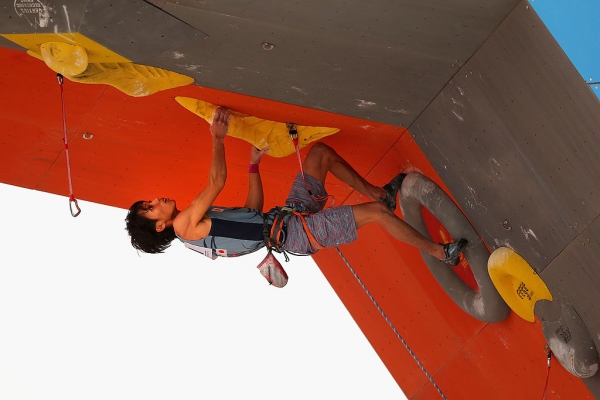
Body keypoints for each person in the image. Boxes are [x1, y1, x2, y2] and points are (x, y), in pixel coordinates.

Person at [125, 108, 467, 264]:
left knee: (319, 154)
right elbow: (217, 180)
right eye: (152, 206)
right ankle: (441, 253)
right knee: (375, 215)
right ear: (159, 224)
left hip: (284, 219)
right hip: (296, 234)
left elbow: (252, 214)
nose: (157, 199)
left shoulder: (194, 231)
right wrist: (218, 137)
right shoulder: (185, 226)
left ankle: (382, 193)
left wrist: (254, 165)